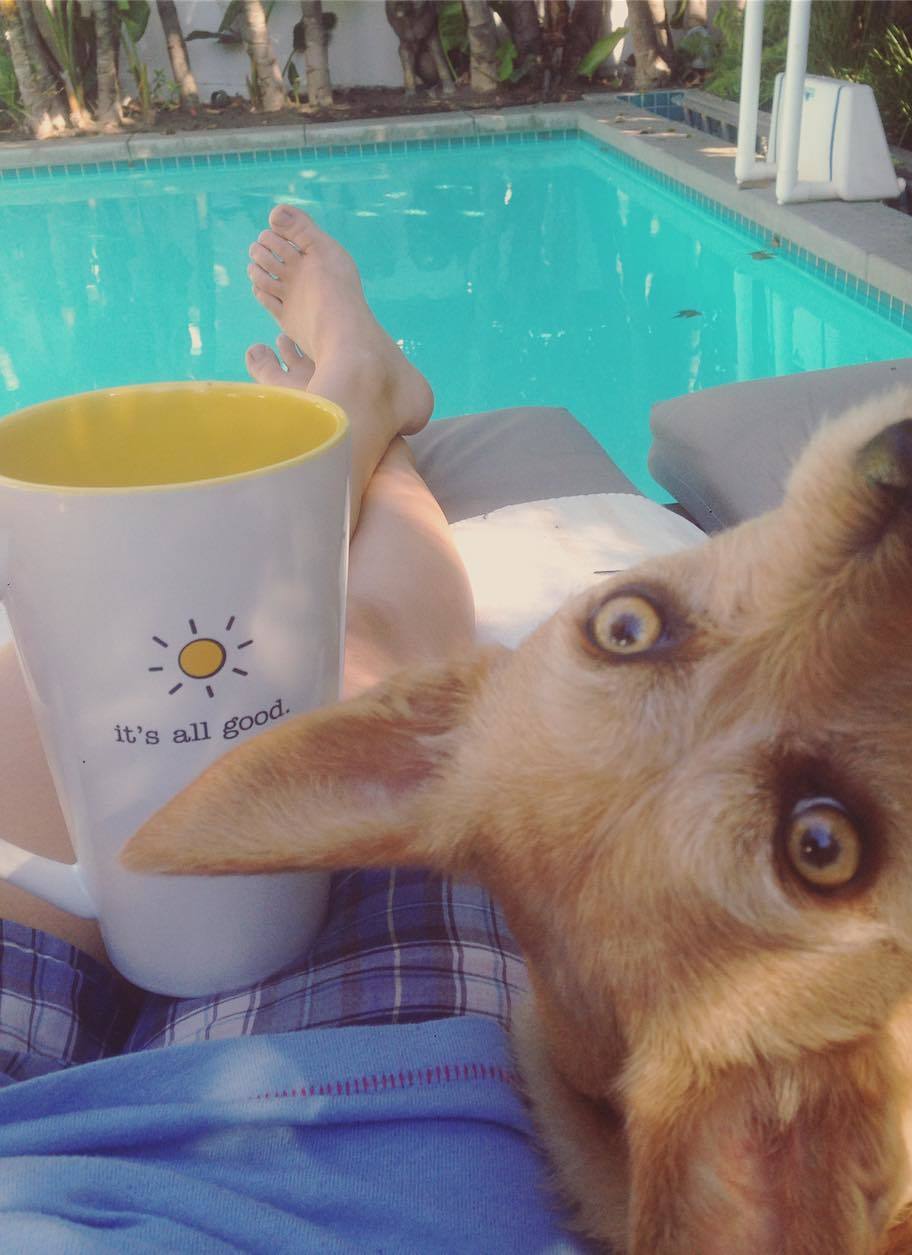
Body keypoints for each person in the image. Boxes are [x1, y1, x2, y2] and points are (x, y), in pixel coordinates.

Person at [0, 206, 585, 1252]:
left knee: (68, 686)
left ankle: (347, 410)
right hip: (370, 1156)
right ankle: (357, 411)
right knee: (359, 658)